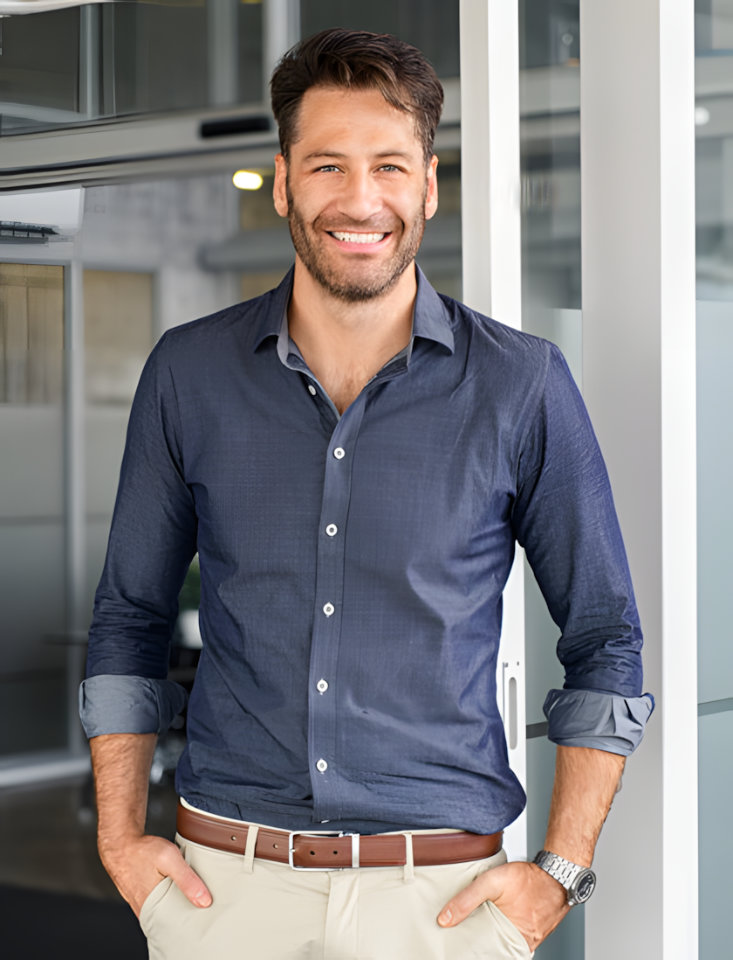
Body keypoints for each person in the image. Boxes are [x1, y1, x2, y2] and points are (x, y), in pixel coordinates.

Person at [80, 27, 653, 960]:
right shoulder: (188, 373)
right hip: (226, 891)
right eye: (327, 166)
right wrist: (117, 838)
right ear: (283, 181)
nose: (359, 199)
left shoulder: (522, 386)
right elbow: (128, 618)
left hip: (442, 905)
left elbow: (603, 640)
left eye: (389, 166)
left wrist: (560, 870)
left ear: (427, 184)